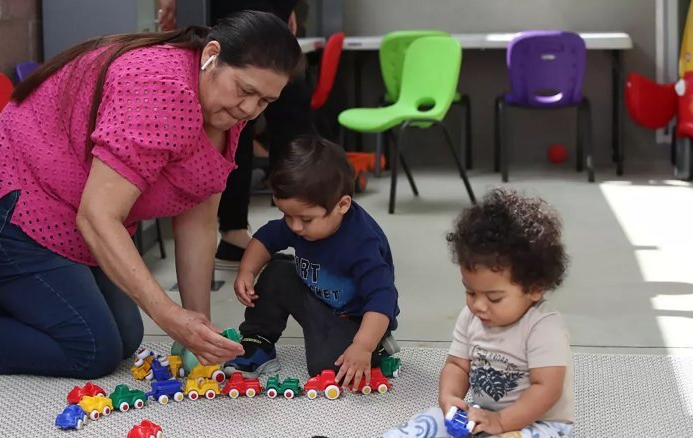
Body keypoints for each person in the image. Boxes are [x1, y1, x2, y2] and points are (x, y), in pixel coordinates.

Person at [0, 11, 304, 379]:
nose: (250, 110)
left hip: (63, 219)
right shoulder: (161, 90)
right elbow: (98, 216)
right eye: (245, 91)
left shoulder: (225, 106)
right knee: (91, 349)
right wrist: (171, 316)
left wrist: (195, 331)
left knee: (125, 338)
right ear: (211, 56)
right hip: (1, 203)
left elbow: (198, 214)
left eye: (265, 101)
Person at [383, 189, 574, 438]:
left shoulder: (543, 327)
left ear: (534, 288)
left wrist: (502, 422)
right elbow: (457, 366)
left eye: (494, 298)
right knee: (427, 423)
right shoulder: (471, 317)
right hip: (481, 414)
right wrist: (450, 398)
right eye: (470, 292)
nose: (479, 305)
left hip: (539, 424)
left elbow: (547, 389)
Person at [223, 136, 400, 388]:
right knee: (276, 272)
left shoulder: (362, 244)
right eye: (287, 215)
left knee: (325, 368)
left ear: (342, 205)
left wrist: (362, 345)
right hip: (315, 297)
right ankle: (258, 340)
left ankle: (377, 349)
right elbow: (266, 238)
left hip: (355, 320)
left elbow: (383, 299)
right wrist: (246, 271)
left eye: (305, 220)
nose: (294, 226)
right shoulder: (298, 222)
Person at [159, 0, 315, 270]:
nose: (251, 109)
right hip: (232, 9)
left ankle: (309, 222)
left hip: (274, 12)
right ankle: (233, 231)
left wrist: (288, 7)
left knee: (286, 116)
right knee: (231, 116)